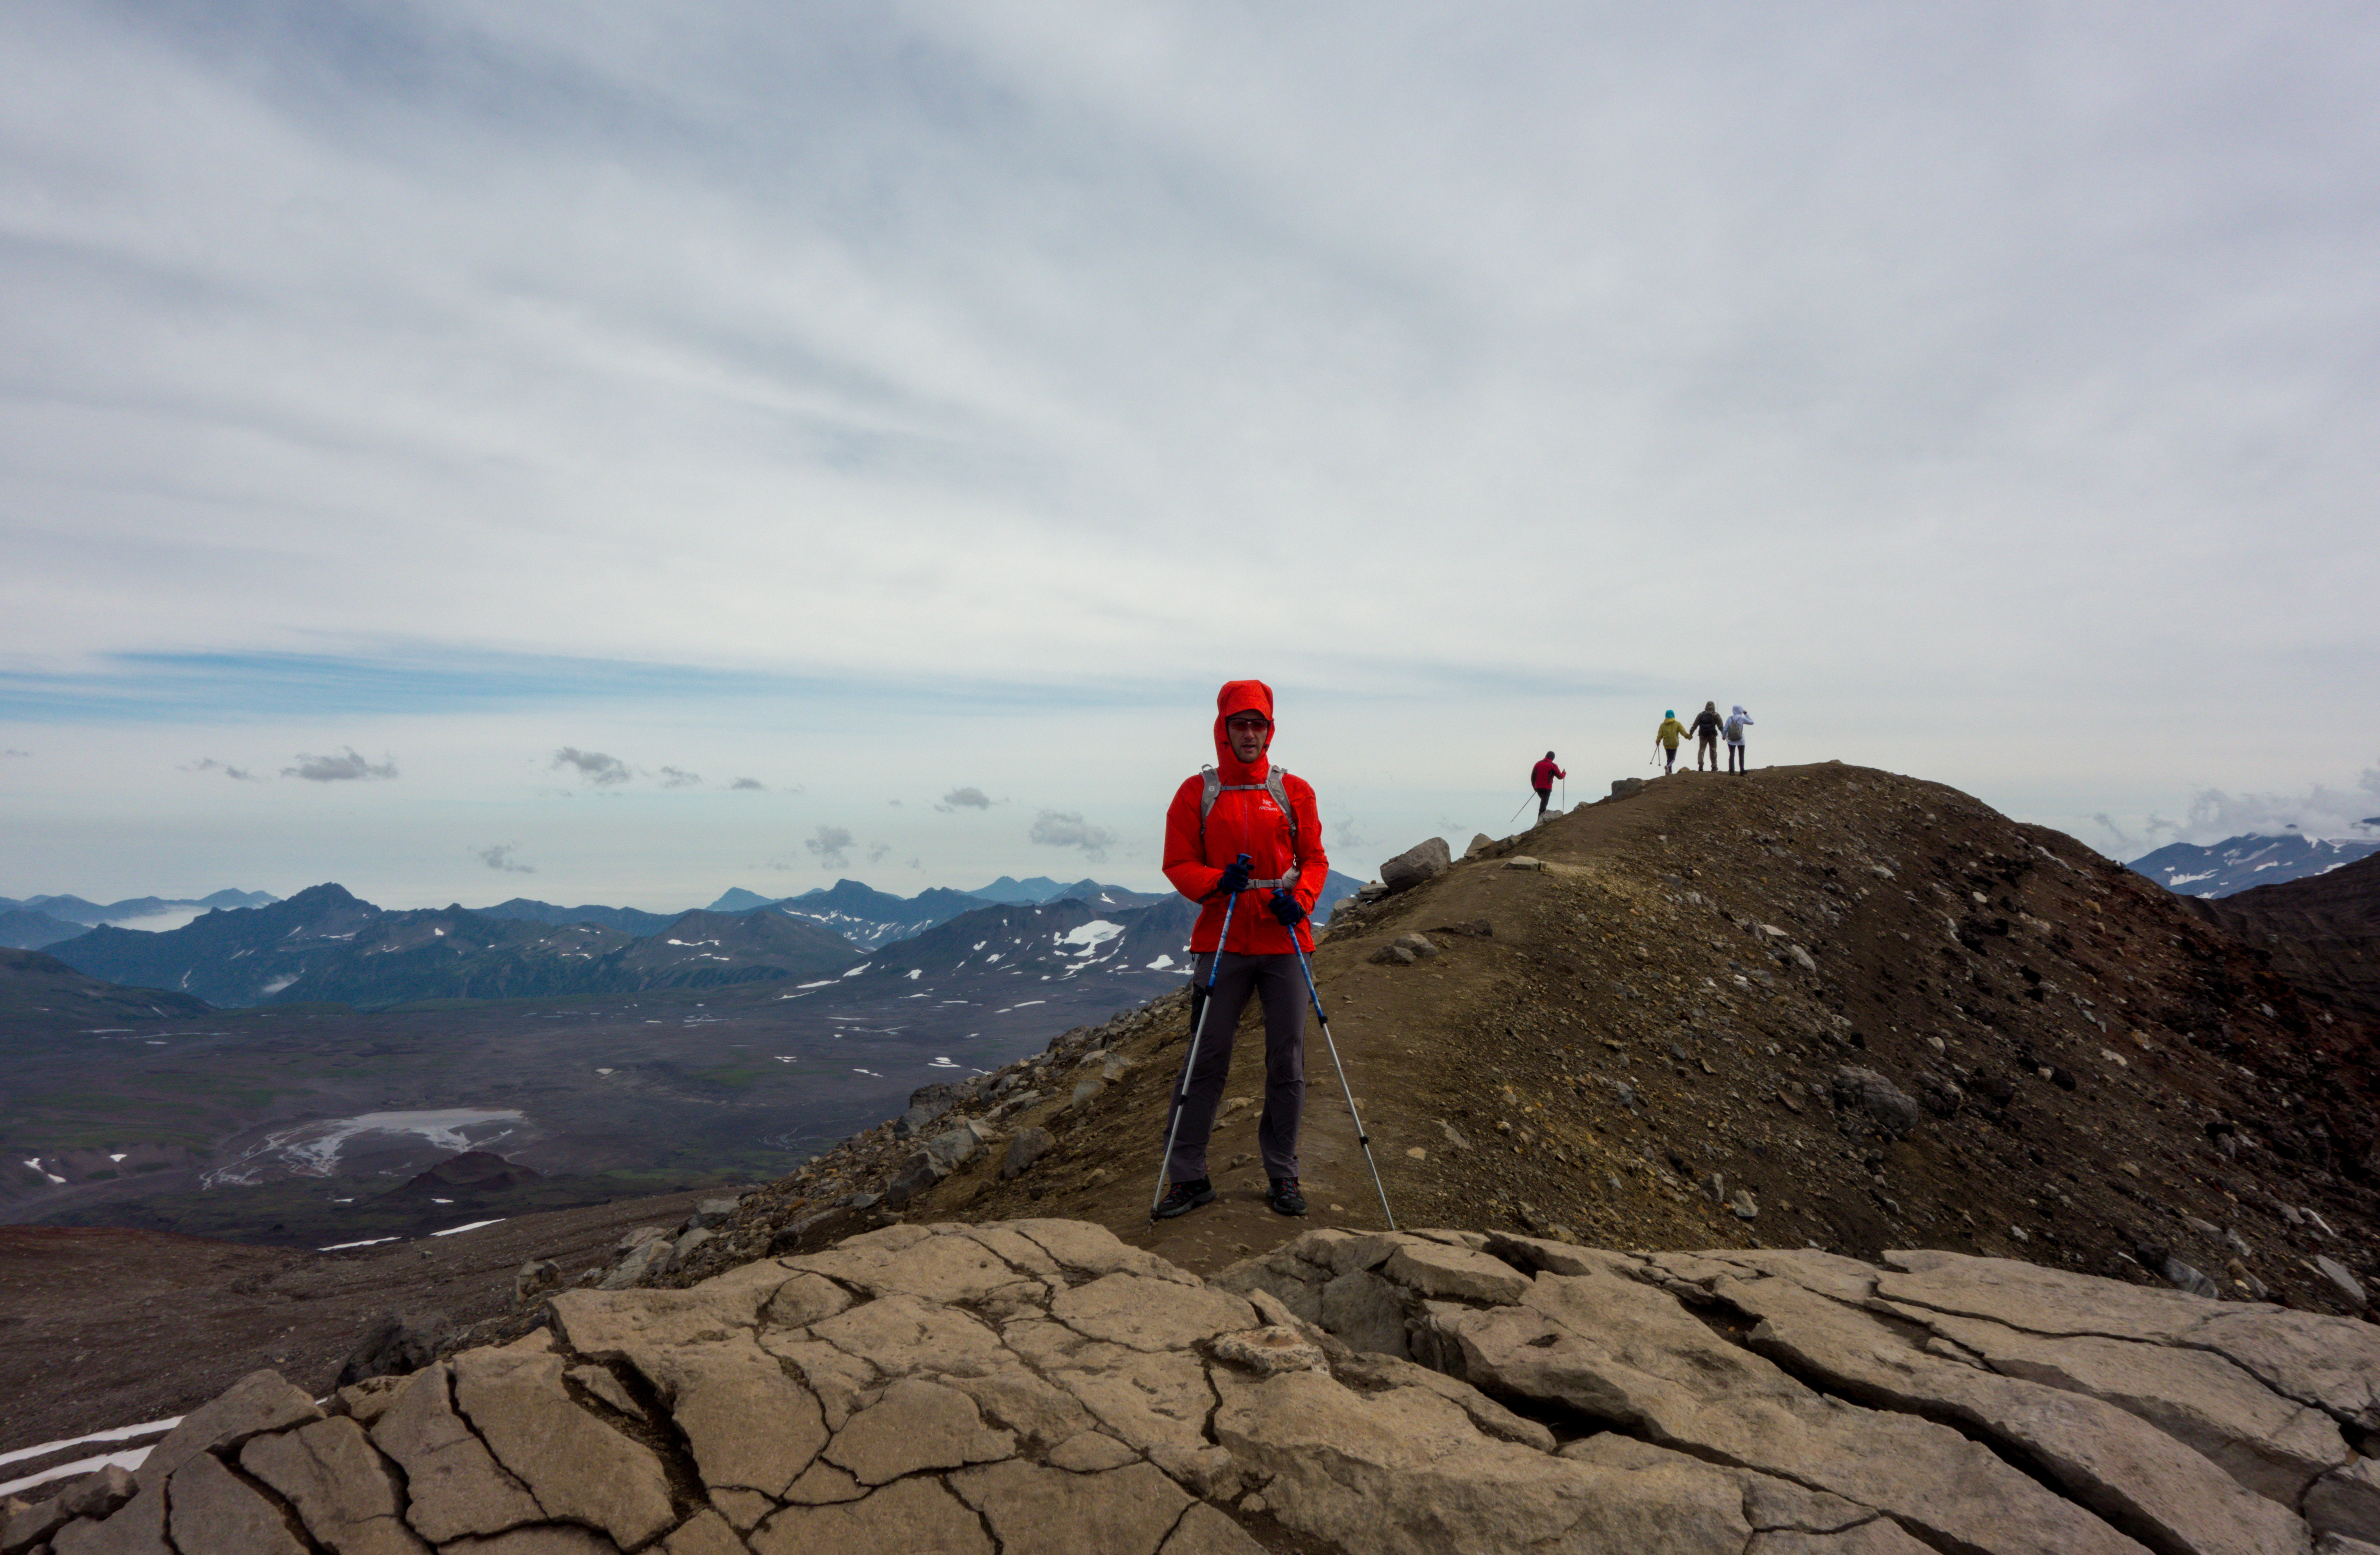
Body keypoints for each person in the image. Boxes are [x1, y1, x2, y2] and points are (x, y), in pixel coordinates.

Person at [1155, 680, 1330, 1220]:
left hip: (1283, 937)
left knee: (1287, 1060)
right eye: (1240, 724)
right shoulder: (1197, 793)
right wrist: (1217, 881)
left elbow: (1315, 858)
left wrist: (1301, 900)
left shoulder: (1293, 791)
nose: (1249, 734)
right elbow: (1177, 862)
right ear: (1224, 729)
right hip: (1223, 936)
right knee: (1206, 1058)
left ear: (1269, 730)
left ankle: (1283, 1173)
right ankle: (1188, 1177)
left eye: (1258, 725)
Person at [1530, 751, 1566, 818]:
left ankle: (1541, 819)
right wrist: (1564, 773)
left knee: (1543, 804)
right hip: (1547, 788)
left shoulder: (1538, 764)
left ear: (1546, 756)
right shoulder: (1553, 766)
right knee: (1543, 806)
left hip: (1538, 788)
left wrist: (1535, 787)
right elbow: (1560, 777)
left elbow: (1533, 777)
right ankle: (1540, 821)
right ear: (1553, 758)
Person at [1689, 703, 1723, 771]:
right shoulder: (1716, 715)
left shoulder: (1701, 715)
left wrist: (1691, 733)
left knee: (1702, 749)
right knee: (1713, 750)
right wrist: (1724, 733)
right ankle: (1714, 766)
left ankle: (1701, 764)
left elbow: (1695, 725)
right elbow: (1720, 726)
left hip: (1703, 735)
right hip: (1712, 735)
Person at [1655, 710, 1688, 774]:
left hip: (1666, 744)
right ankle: (1668, 766)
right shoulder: (1677, 724)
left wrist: (1658, 741)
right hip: (1674, 744)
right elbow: (1683, 732)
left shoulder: (1663, 725)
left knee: (1669, 758)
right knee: (1673, 759)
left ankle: (1669, 772)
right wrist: (1688, 737)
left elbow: (1660, 735)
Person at [1725, 704, 1754, 774]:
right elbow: (1752, 722)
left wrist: (1724, 736)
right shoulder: (1742, 719)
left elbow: (1726, 728)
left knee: (1732, 755)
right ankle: (1742, 770)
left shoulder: (1730, 718)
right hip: (1741, 740)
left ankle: (1732, 771)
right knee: (1741, 755)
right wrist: (1746, 713)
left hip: (1731, 740)